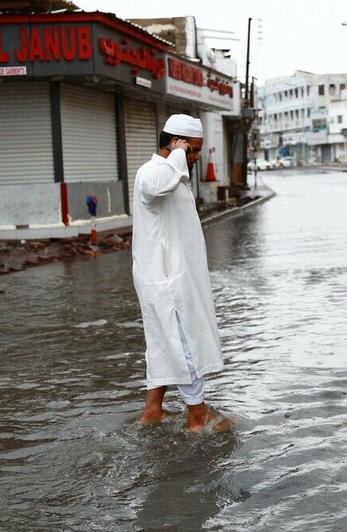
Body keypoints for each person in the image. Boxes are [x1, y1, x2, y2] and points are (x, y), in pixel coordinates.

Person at [131, 114, 229, 432]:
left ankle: (152, 411)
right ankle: (197, 418)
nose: (197, 157)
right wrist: (177, 154)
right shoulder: (153, 172)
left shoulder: (174, 173)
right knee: (185, 343)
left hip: (167, 278)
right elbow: (154, 189)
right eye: (194, 150)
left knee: (162, 344)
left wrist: (179, 158)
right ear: (176, 144)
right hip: (165, 281)